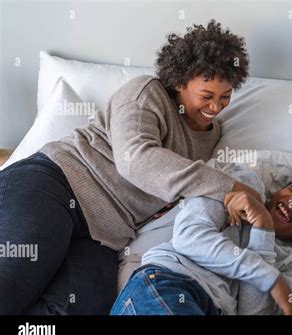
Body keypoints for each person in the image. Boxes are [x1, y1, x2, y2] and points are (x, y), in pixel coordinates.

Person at [0, 20, 259, 314]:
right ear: (179, 82)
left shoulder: (213, 136)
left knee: (78, 309)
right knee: (10, 287)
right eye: (206, 96)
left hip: (104, 237)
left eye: (225, 97)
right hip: (55, 185)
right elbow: (136, 160)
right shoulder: (146, 93)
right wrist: (231, 187)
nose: (216, 107)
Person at [110, 165, 292, 315]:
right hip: (169, 283)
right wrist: (271, 280)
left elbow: (252, 313)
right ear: (278, 191)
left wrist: (264, 228)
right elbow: (189, 237)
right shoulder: (244, 185)